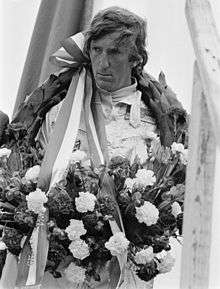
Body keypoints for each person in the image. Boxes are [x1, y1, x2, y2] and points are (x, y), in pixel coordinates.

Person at [4, 6, 186, 289]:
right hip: (60, 270)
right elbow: (31, 178)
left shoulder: (155, 124)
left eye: (114, 52)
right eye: (96, 50)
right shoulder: (59, 112)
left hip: (124, 271)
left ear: (136, 58)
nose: (102, 63)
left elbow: (171, 189)